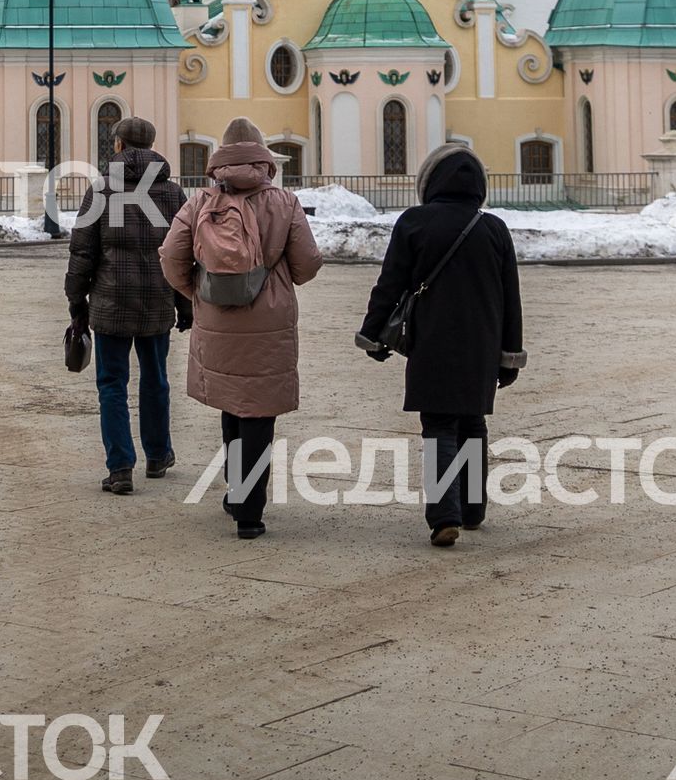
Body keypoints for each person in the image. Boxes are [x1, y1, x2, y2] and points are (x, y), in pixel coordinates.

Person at [159, 117, 322, 540]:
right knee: (259, 412)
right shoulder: (284, 203)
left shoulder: (200, 203)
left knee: (232, 401)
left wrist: (197, 290)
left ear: (221, 160)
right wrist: (278, 278)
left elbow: (171, 257)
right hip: (269, 318)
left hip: (215, 316)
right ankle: (250, 511)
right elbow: (306, 264)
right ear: (264, 159)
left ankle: (236, 490)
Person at [358, 145, 525, 547]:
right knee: (472, 422)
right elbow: (510, 298)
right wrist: (510, 355)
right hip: (481, 345)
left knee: (438, 426)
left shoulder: (414, 223)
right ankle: (472, 508)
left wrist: (373, 331)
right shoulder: (493, 228)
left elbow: (390, 284)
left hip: (431, 341)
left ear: (429, 183)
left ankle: (444, 516)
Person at [64, 118, 182, 493]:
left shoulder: (101, 190)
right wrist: (188, 304)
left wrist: (76, 300)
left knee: (112, 384)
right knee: (156, 379)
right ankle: (158, 454)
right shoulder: (174, 195)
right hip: (158, 301)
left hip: (110, 302)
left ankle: (120, 468)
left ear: (118, 146)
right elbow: (184, 255)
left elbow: (83, 251)